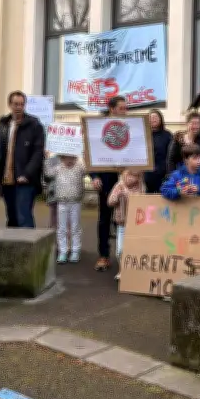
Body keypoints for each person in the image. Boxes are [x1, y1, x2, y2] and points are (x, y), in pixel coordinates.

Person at [0, 91, 45, 229]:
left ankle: (30, 249)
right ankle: (14, 248)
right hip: (6, 178)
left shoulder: (34, 125)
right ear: (9, 105)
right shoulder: (4, 125)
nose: (19, 107)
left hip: (26, 179)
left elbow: (38, 153)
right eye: (16, 104)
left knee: (24, 216)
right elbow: (0, 151)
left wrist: (27, 174)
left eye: (22, 104)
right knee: (12, 217)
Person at [90, 96, 127, 272]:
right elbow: (91, 153)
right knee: (105, 218)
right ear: (112, 109)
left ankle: (128, 257)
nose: (124, 112)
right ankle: (103, 255)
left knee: (126, 218)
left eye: (125, 108)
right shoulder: (99, 128)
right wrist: (94, 176)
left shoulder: (131, 127)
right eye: (121, 108)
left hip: (127, 180)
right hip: (105, 178)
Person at [44, 151, 87, 264]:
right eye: (66, 158)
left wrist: (85, 155)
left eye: (71, 157)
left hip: (75, 201)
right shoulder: (58, 168)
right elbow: (48, 174)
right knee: (61, 228)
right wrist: (47, 158)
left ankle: (75, 250)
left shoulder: (79, 167)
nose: (69, 160)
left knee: (75, 227)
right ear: (62, 158)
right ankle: (63, 251)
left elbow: (86, 170)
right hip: (62, 202)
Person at [108, 169, 145, 280]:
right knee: (120, 250)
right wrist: (117, 196)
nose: (131, 178)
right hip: (122, 223)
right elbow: (110, 202)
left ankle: (132, 272)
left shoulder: (141, 187)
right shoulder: (119, 185)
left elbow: (142, 202)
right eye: (129, 175)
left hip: (135, 224)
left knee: (133, 249)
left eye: (134, 176)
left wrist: (128, 195)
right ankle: (121, 270)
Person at [144, 110, 173, 193]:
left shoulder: (167, 135)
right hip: (147, 173)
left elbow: (171, 155)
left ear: (160, 119)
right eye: (151, 118)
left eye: (155, 117)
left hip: (163, 172)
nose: (153, 120)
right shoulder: (144, 135)